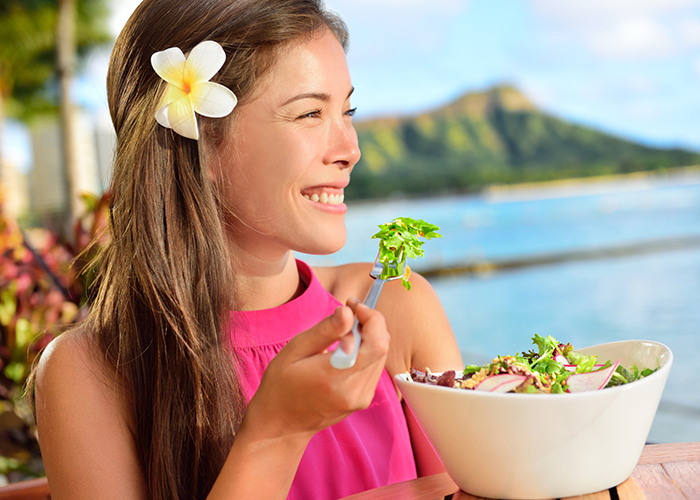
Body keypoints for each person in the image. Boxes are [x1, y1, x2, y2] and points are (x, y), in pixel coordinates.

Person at [32, 0, 463, 498]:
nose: (350, 148)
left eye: (347, 111)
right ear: (203, 145)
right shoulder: (89, 372)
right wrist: (275, 434)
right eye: (309, 113)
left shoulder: (397, 306)